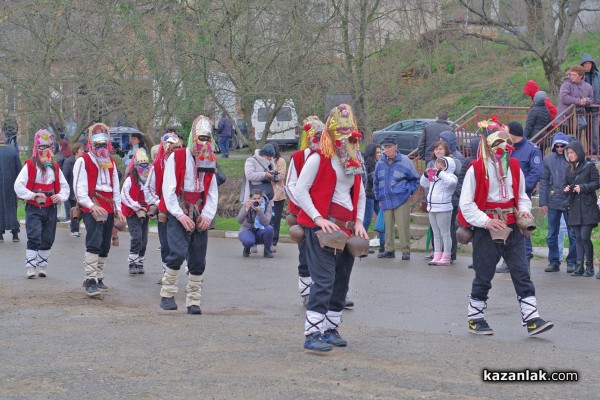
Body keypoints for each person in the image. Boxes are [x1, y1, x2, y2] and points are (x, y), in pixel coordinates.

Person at [458, 125, 554, 337]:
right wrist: (486, 221)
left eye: (507, 145)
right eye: (499, 145)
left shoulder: (514, 166)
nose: (504, 149)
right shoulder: (476, 168)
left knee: (521, 272)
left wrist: (525, 212)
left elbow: (521, 197)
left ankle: (531, 319)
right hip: (487, 228)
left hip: (511, 226)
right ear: (489, 147)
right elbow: (466, 204)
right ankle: (475, 318)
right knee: (484, 274)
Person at [295, 103, 368, 352]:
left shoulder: (353, 159)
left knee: (341, 282)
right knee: (324, 280)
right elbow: (299, 189)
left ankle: (330, 328)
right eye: (340, 131)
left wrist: (359, 222)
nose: (345, 135)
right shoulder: (318, 158)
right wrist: (317, 218)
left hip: (347, 229)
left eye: (349, 130)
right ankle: (312, 332)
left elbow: (360, 195)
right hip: (323, 230)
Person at [158, 115, 218, 314]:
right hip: (180, 211)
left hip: (199, 212)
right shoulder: (178, 156)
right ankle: (167, 294)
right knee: (176, 253)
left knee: (198, 259)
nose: (204, 143)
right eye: (201, 138)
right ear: (193, 137)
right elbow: (169, 189)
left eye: (207, 139)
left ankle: (193, 300)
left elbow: (211, 192)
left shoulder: (210, 159)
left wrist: (207, 216)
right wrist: (180, 215)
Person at [73, 123, 126, 297]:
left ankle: (99, 275)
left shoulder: (110, 161)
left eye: (104, 144)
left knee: (105, 244)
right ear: (91, 144)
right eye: (98, 144)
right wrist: (91, 206)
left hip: (109, 206)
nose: (101, 148)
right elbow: (79, 189)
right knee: (94, 241)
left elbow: (115, 187)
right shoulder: (83, 160)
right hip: (93, 206)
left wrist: (118, 208)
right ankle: (90, 279)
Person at [14, 129, 69, 278]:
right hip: (34, 206)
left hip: (50, 206)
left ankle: (43, 266)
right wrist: (32, 195)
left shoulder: (55, 167)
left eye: (48, 147)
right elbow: (18, 186)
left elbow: (65, 187)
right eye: (42, 147)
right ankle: (30, 267)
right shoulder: (30, 165)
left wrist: (60, 196)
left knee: (48, 238)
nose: (45, 151)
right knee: (34, 236)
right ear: (36, 148)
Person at [286, 116, 323, 307]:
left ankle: (332, 291)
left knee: (330, 254)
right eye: (313, 135)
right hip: (304, 214)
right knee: (305, 254)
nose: (316, 138)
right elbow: (291, 185)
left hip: (324, 214)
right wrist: (304, 206)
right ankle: (307, 292)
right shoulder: (298, 157)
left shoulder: (329, 156)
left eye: (320, 135)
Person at [496, 121, 542, 273]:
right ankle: (507, 260)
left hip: (522, 196)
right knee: (506, 228)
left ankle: (525, 260)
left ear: (513, 134)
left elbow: (535, 173)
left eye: (506, 130)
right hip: (505, 197)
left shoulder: (532, 150)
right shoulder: (505, 148)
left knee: (523, 228)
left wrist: (520, 189)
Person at [374, 136, 420, 260]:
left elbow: (415, 179)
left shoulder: (405, 161)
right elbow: (376, 181)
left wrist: (408, 191)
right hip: (386, 198)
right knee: (387, 226)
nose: (387, 149)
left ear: (395, 147)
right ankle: (389, 250)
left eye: (389, 147)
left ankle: (406, 250)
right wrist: (378, 196)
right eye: (385, 147)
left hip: (401, 198)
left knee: (402, 225)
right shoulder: (380, 162)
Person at [144, 131, 182, 278]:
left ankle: (191, 271)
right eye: (171, 148)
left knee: (186, 243)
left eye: (177, 148)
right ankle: (167, 274)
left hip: (183, 209)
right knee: (166, 244)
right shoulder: (157, 167)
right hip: (165, 211)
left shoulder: (186, 165)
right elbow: (148, 189)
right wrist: (160, 202)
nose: (174, 151)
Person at [539, 133, 577, 273]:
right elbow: (544, 181)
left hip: (570, 201)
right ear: (554, 146)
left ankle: (572, 262)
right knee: (552, 234)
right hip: (553, 201)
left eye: (562, 146)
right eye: (557, 146)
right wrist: (543, 202)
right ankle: (554, 261)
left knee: (572, 233)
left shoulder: (572, 158)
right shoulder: (548, 159)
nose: (560, 148)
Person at [564, 140, 600, 277]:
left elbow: (597, 183)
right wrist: (566, 189)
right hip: (574, 207)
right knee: (578, 237)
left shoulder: (590, 166)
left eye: (572, 152)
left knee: (585, 236)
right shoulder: (568, 168)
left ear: (578, 152)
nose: (570, 155)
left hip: (588, 207)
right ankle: (579, 266)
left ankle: (589, 266)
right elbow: (565, 184)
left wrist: (583, 187)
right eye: (568, 153)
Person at [420, 142, 457, 265]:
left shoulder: (451, 176)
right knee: (436, 234)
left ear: (447, 165)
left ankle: (446, 256)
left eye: (442, 164)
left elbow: (450, 184)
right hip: (432, 207)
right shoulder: (435, 176)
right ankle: (437, 255)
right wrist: (426, 175)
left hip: (444, 208)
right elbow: (424, 184)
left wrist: (440, 173)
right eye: (438, 163)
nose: (439, 166)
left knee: (445, 233)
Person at [121, 149, 151, 275]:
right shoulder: (130, 179)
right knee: (137, 236)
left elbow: (151, 193)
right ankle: (132, 262)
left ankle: (140, 262)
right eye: (141, 165)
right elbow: (124, 195)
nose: (144, 168)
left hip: (146, 211)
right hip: (132, 212)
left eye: (145, 165)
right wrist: (136, 206)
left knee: (144, 239)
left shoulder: (149, 178)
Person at [439, 130, 464, 262]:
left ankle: (450, 254)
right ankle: (442, 251)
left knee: (450, 228)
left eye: (442, 140)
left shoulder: (457, 158)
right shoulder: (441, 158)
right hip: (443, 198)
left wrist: (456, 192)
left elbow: (461, 177)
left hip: (453, 198)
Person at [237, 189, 274, 258]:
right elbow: (239, 220)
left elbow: (266, 223)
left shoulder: (267, 204)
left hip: (261, 229)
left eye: (259, 198)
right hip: (247, 229)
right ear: (250, 199)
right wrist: (246, 209)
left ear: (262, 198)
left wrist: (259, 211)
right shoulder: (247, 204)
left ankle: (267, 250)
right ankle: (247, 247)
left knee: (270, 229)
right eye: (254, 199)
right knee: (249, 241)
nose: (257, 200)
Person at [0, 131, 22, 242]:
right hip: (11, 185)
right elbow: (20, 170)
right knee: (12, 208)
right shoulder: (13, 151)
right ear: (5, 139)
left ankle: (0, 234)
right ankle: (15, 234)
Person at [558, 66, 594, 133]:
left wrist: (586, 100)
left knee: (576, 140)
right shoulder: (566, 84)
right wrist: (578, 101)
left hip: (578, 118)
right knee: (565, 141)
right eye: (571, 74)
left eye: (574, 75)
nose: (572, 76)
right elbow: (563, 97)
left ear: (581, 76)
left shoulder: (588, 86)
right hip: (565, 118)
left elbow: (591, 98)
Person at [61, 143, 85, 237]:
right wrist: (66, 190)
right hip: (71, 190)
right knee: (74, 209)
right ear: (76, 151)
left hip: (82, 190)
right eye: (81, 150)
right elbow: (65, 176)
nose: (83, 151)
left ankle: (73, 224)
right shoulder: (68, 162)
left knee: (82, 210)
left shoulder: (84, 161)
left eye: (83, 150)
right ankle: (74, 230)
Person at [580, 54, 600, 157]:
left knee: (595, 133)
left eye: (589, 63)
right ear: (582, 65)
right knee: (585, 132)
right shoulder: (580, 76)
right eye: (586, 63)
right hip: (583, 109)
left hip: (595, 108)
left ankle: (595, 153)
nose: (588, 65)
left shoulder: (597, 76)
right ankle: (587, 153)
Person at [269, 142, 286, 251]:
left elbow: (281, 175)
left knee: (276, 219)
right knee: (267, 218)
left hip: (278, 194)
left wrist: (269, 176)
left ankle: (273, 240)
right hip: (267, 194)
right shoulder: (265, 160)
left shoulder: (281, 161)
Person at [363, 143, 381, 236]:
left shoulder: (378, 163)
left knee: (381, 217)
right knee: (367, 219)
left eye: (380, 152)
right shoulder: (369, 164)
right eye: (377, 152)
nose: (379, 154)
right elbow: (373, 179)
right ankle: (359, 242)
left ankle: (383, 243)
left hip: (376, 196)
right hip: (368, 195)